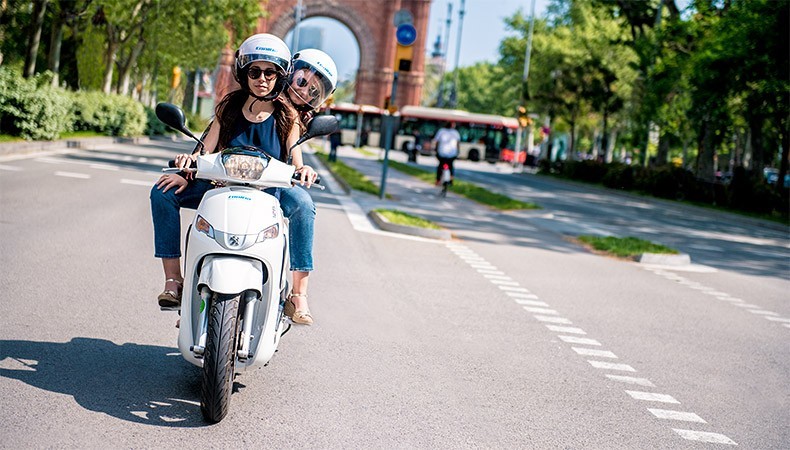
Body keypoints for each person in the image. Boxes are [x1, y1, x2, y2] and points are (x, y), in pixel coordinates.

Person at [150, 33, 319, 325]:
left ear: (280, 76)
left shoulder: (286, 116)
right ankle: (174, 281)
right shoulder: (228, 108)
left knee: (304, 204)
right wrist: (187, 166)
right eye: (255, 72)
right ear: (244, 73)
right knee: (162, 191)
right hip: (221, 186)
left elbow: (297, 160)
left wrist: (304, 171)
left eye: (270, 72)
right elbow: (205, 150)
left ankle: (298, 294)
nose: (262, 79)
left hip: (270, 192)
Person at [285, 48, 338, 126]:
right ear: (291, 74)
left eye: (313, 92)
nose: (304, 92)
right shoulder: (268, 102)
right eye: (302, 82)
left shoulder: (307, 123)